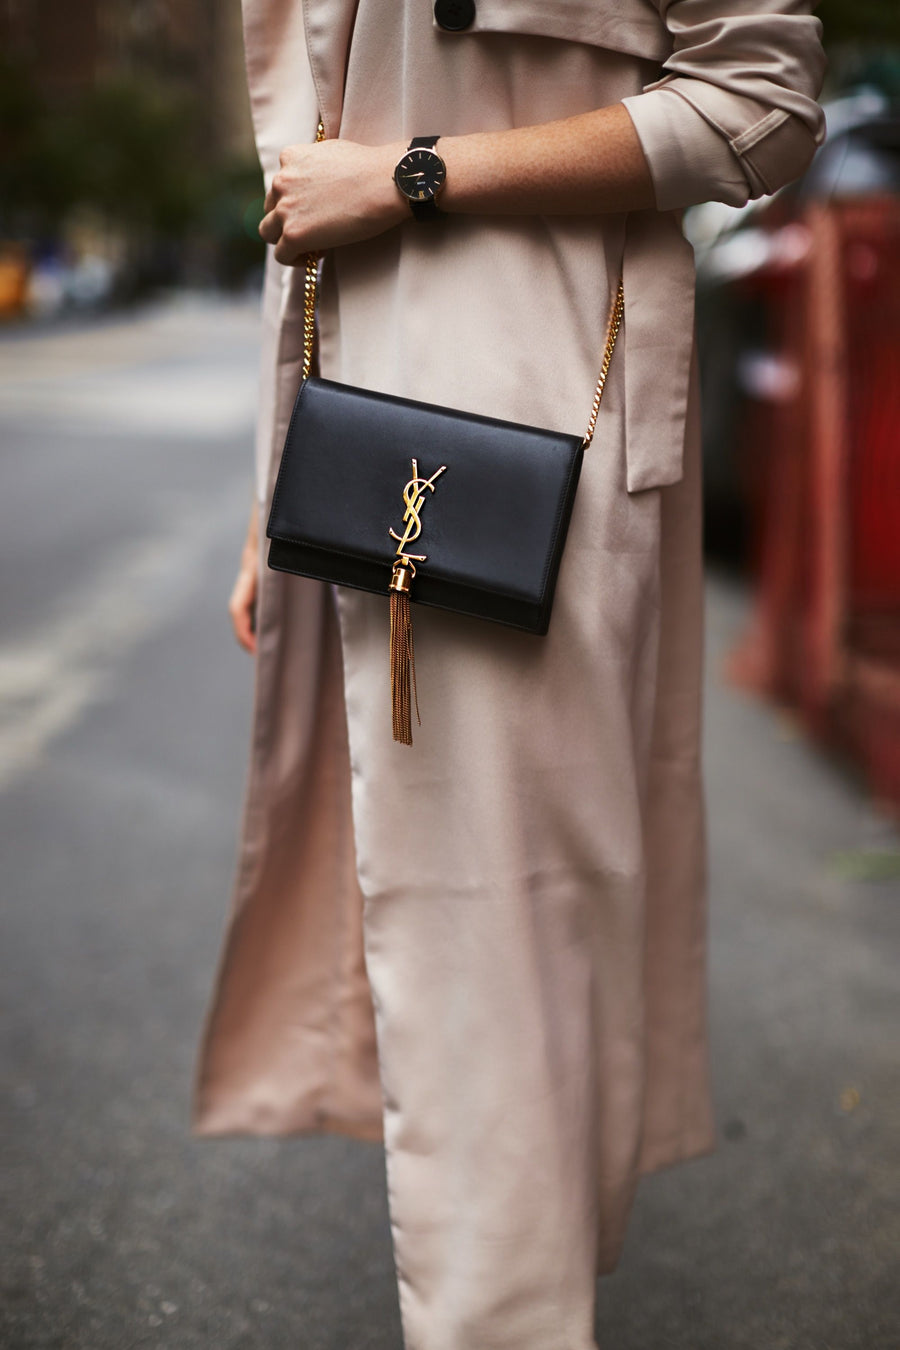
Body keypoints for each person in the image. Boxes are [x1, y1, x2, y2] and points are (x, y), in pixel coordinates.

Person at [195, 3, 827, 1346]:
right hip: (363, 438)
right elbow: (306, 194)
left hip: (535, 423)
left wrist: (419, 173)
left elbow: (760, 103)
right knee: (475, 950)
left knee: (503, 940)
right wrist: (273, 491)